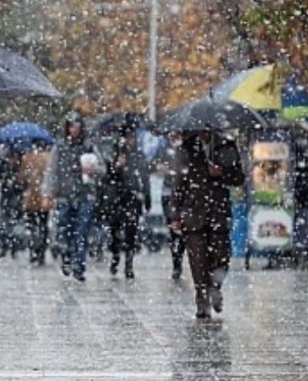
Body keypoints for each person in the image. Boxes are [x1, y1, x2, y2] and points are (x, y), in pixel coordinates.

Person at [169, 130, 245, 319]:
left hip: (219, 212)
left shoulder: (226, 145)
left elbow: (239, 178)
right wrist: (175, 215)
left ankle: (215, 288)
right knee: (198, 260)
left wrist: (222, 173)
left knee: (221, 256)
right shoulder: (186, 149)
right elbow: (178, 183)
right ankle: (202, 300)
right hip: (194, 212)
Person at [42, 112, 97, 282]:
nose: (74, 130)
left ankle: (78, 266)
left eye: (77, 126)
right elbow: (52, 171)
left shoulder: (89, 147)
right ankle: (67, 257)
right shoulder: (60, 147)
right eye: (71, 126)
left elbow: (101, 167)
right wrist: (48, 193)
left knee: (81, 232)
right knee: (65, 231)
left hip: (84, 195)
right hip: (65, 196)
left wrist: (93, 170)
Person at [103, 124, 151, 279]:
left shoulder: (139, 156)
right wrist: (116, 167)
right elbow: (107, 178)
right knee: (115, 230)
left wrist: (146, 196)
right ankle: (116, 256)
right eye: (127, 137)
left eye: (132, 137)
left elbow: (145, 177)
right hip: (117, 197)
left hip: (133, 197)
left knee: (132, 230)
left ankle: (129, 263)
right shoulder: (114, 154)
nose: (130, 140)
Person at [16, 143, 52, 266]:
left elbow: (21, 178)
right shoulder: (48, 157)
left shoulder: (27, 158)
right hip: (43, 197)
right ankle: (41, 251)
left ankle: (34, 251)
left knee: (32, 226)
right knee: (43, 225)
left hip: (31, 197)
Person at [158, 134, 187, 279]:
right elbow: (157, 165)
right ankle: (176, 260)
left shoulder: (186, 149)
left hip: (183, 193)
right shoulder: (165, 150)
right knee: (172, 227)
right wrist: (164, 169)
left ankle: (179, 256)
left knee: (182, 228)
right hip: (168, 192)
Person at [292, 136, 308, 270]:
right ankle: (303, 256)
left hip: (301, 201)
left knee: (301, 230)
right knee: (304, 231)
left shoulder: (297, 163)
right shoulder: (304, 162)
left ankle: (300, 255)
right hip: (305, 201)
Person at [0, 150, 25, 258]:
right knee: (5, 225)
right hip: (7, 200)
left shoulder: (21, 170)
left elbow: (23, 185)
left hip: (16, 201)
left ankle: (14, 249)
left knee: (15, 226)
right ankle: (4, 247)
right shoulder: (4, 168)